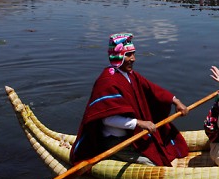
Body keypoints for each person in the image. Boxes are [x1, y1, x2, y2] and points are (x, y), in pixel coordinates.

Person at [70, 33, 190, 166]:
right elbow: (106, 119)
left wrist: (176, 101)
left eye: (133, 54)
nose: (133, 59)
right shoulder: (107, 82)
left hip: (131, 135)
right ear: (118, 56)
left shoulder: (130, 75)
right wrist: (139, 123)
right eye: (128, 55)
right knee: (154, 163)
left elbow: (153, 90)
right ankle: (109, 158)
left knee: (166, 148)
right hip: (115, 140)